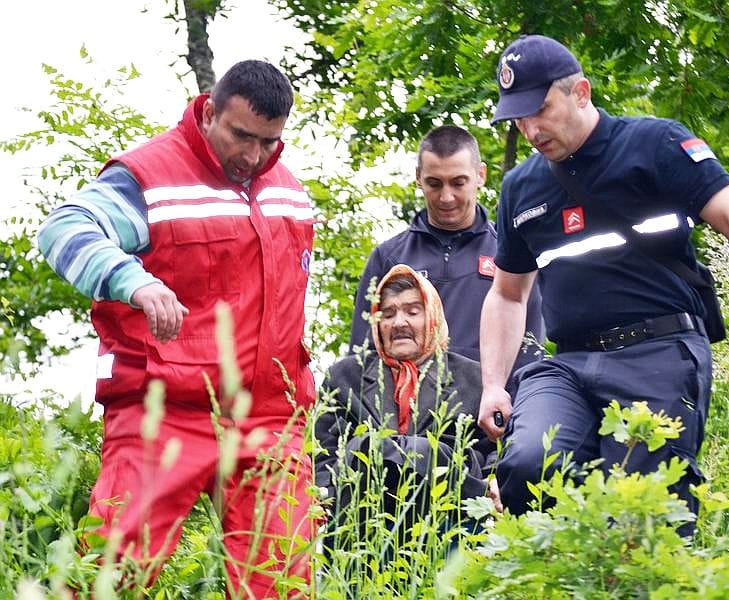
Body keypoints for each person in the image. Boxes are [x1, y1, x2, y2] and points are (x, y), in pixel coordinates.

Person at [37, 60, 316, 596]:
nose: (252, 156)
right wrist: (132, 280)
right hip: (164, 411)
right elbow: (63, 228)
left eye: (268, 142)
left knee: (281, 583)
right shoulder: (147, 178)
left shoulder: (289, 190)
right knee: (111, 574)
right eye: (241, 135)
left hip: (272, 414)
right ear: (210, 109)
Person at [478, 35, 729, 525]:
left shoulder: (655, 145)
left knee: (643, 515)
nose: (531, 129)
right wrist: (494, 384)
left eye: (541, 110)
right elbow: (508, 295)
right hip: (569, 364)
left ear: (581, 92)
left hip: (658, 355)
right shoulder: (520, 188)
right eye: (518, 118)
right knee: (529, 463)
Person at [317, 265, 500, 545]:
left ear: (433, 317)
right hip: (362, 532)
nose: (399, 322)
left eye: (413, 311)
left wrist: (492, 481)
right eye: (388, 314)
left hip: (449, 526)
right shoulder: (344, 378)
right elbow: (323, 455)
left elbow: (494, 454)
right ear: (377, 324)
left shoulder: (476, 379)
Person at [350, 125, 545, 375]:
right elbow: (362, 358)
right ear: (418, 178)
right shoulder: (388, 258)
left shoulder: (512, 252)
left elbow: (530, 352)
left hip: (489, 406)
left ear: (480, 175)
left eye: (458, 183)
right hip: (405, 407)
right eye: (434, 184)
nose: (446, 197)